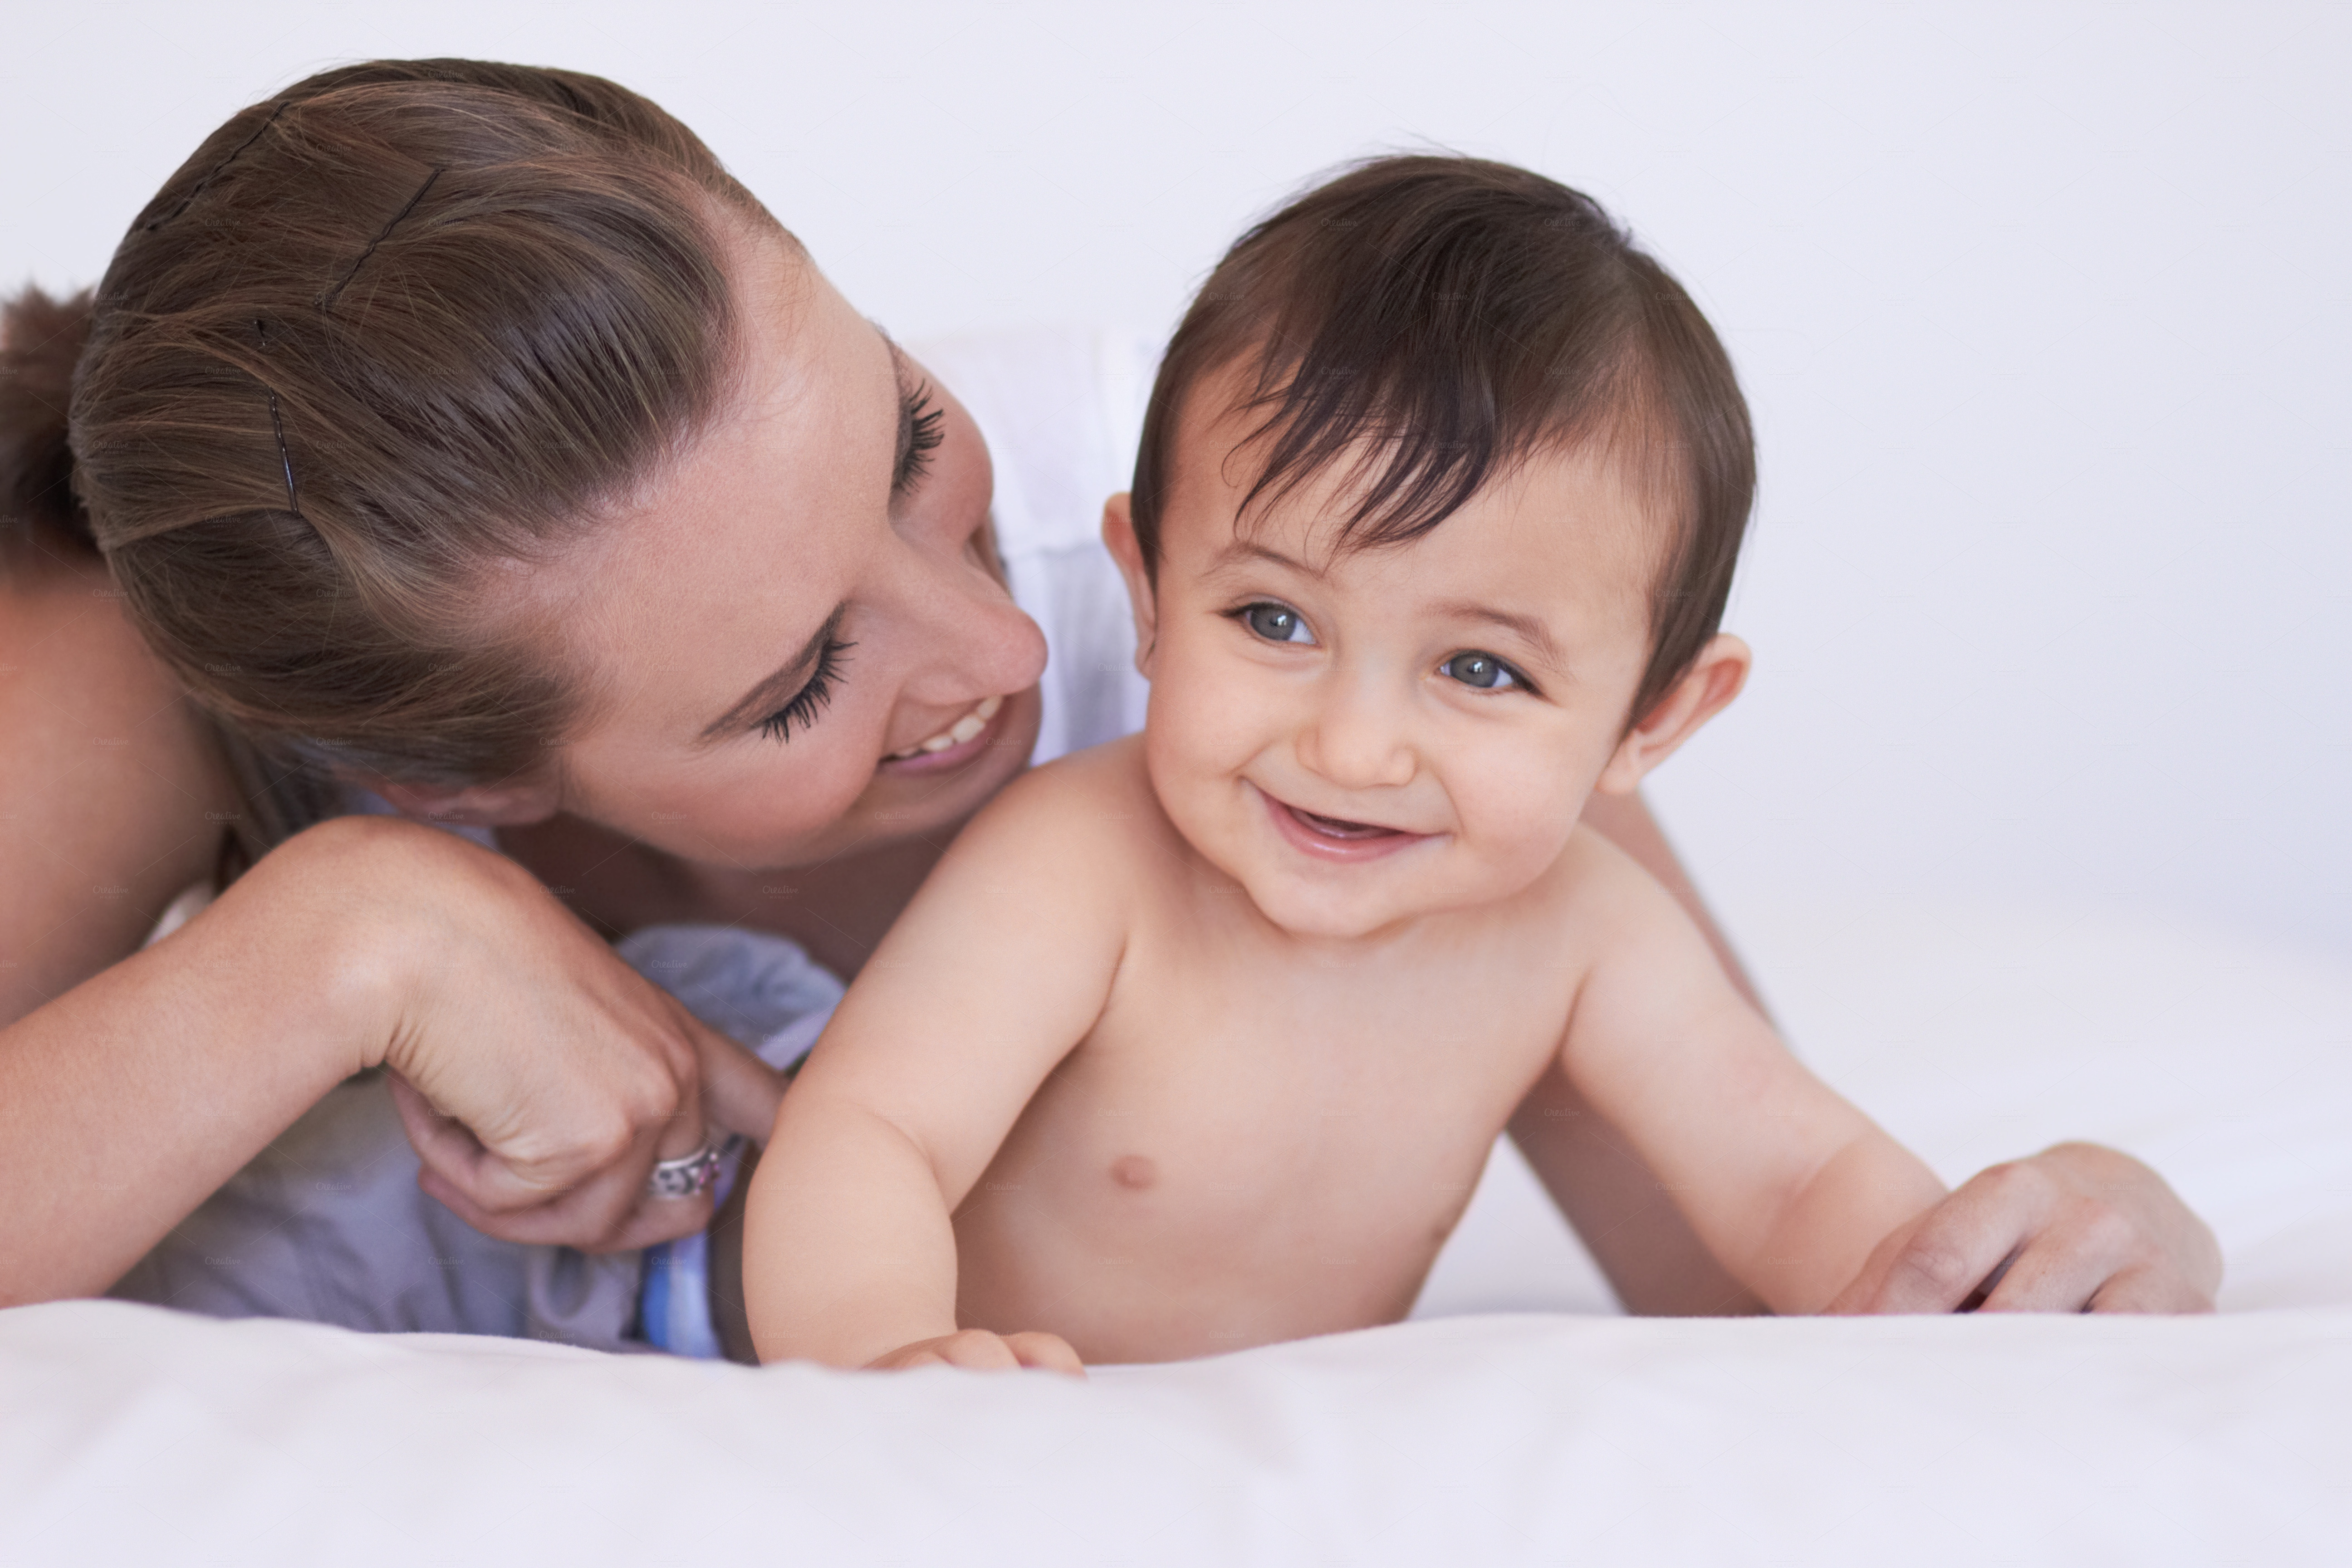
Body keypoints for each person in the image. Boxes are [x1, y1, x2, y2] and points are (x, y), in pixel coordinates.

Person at [0, 60, 2218, 1353]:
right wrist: (354, 932)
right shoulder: (151, 670)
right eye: (797, 683)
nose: (1005, 657)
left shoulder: (1310, 551)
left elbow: (1768, 1255)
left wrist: (2072, 1258)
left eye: (906, 442)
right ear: (444, 773)